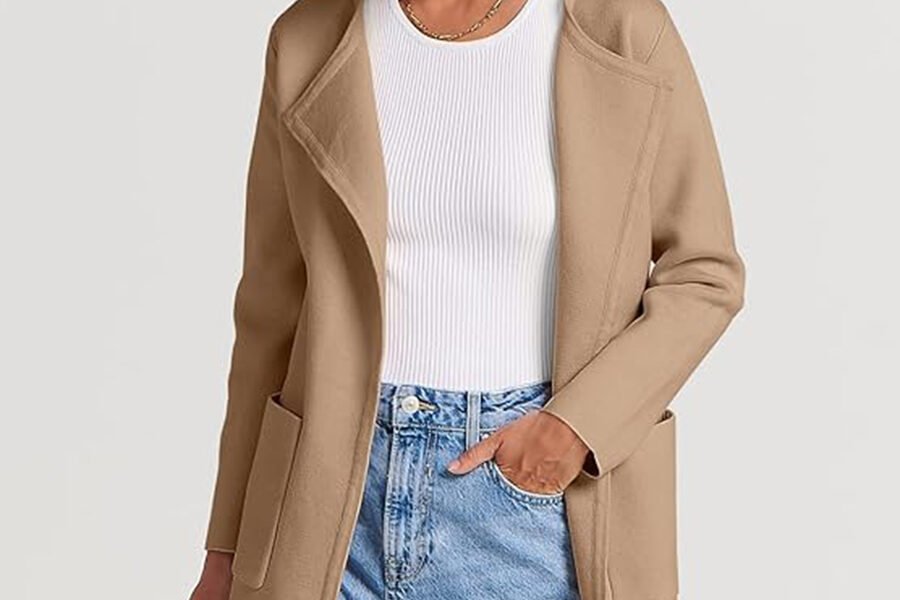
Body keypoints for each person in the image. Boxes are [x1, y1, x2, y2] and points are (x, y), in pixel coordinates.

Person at [191, 0, 745, 599]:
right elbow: (271, 307)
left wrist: (574, 427)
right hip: (325, 505)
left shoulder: (621, 29)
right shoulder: (307, 37)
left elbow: (704, 273)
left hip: (532, 510)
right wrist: (226, 550)